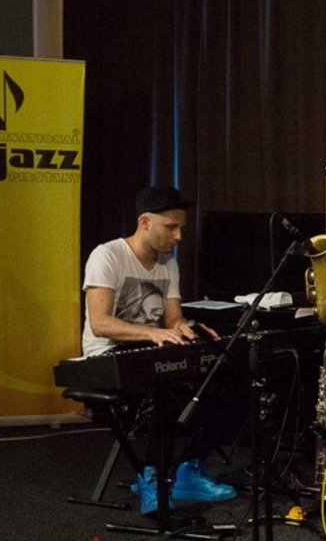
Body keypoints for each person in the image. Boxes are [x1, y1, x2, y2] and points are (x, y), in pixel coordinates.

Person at [80, 185, 237, 514]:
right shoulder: (107, 255)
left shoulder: (169, 264)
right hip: (107, 356)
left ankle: (188, 469)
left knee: (228, 382)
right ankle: (151, 477)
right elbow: (100, 323)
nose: (178, 236)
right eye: (171, 227)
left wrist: (189, 328)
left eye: (181, 228)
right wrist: (153, 333)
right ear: (145, 222)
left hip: (152, 353)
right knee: (164, 388)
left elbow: (173, 319)